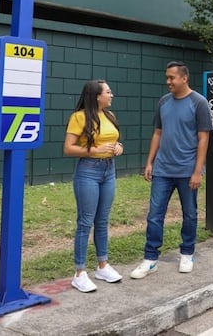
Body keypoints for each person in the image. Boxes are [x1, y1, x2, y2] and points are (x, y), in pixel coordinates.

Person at [130, 61, 211, 278]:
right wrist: (150, 162)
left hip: (187, 170)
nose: (168, 82)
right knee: (155, 215)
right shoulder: (163, 102)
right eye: (167, 77)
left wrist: (197, 171)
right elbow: (158, 133)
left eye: (172, 78)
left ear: (184, 78)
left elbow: (204, 138)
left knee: (190, 214)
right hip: (162, 170)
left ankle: (187, 253)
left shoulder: (199, 103)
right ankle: (150, 258)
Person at [63, 79, 124, 293]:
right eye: (108, 92)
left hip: (109, 170)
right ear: (97, 96)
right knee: (85, 222)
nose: (111, 95)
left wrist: (118, 147)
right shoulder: (78, 117)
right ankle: (79, 273)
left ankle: (102, 266)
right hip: (88, 171)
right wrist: (94, 151)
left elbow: (114, 140)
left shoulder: (110, 116)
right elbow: (68, 149)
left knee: (103, 220)